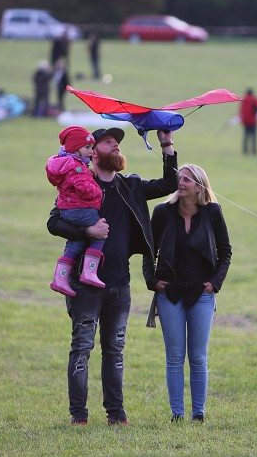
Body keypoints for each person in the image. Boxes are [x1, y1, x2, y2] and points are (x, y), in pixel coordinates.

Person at [47, 126, 178, 426]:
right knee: (82, 348)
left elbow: (169, 183)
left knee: (115, 351)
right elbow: (53, 222)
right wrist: (86, 231)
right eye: (109, 142)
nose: (117, 147)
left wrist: (167, 143)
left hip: (120, 282)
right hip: (84, 285)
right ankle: (78, 416)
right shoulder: (79, 182)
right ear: (93, 151)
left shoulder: (130, 185)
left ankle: (116, 415)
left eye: (117, 143)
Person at [143, 164, 231, 422]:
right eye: (180, 178)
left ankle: (198, 414)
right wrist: (152, 281)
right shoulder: (162, 212)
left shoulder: (213, 212)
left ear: (199, 187)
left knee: (198, 357)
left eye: (187, 179)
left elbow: (225, 251)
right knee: (174, 356)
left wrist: (214, 283)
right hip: (170, 294)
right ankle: (177, 414)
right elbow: (148, 251)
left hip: (202, 294)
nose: (180, 182)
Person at [47, 127, 106, 297]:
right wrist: (98, 192)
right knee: (100, 233)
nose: (91, 151)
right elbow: (83, 188)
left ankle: (60, 278)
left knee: (76, 243)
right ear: (75, 148)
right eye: (88, 148)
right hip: (81, 209)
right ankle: (89, 271)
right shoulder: (76, 167)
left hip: (68, 210)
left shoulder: (67, 164)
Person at [239, 88, 257, 155]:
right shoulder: (254, 100)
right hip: (253, 121)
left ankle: (245, 150)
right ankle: (254, 151)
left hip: (245, 121)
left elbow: (241, 110)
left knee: (246, 136)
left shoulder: (243, 100)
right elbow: (256, 110)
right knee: (254, 137)